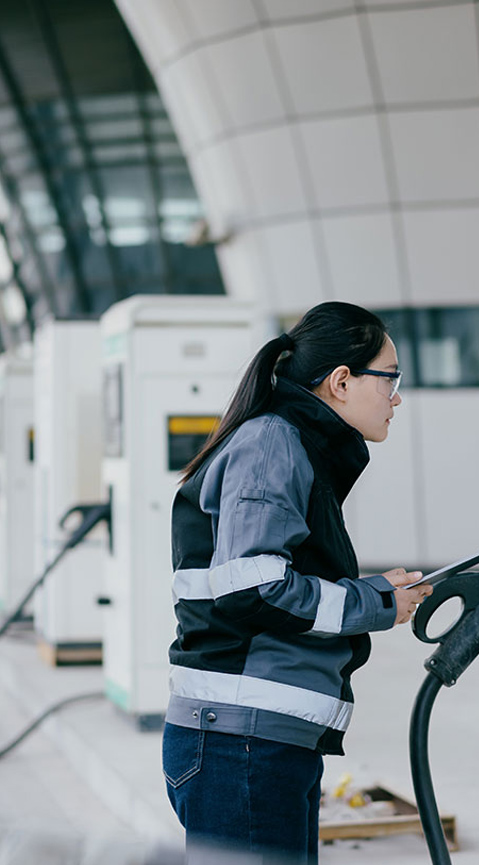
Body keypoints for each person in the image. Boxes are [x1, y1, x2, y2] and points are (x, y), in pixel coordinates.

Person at [163, 301, 433, 864]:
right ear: (340, 381)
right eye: (391, 378)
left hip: (261, 741)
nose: (397, 397)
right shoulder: (272, 443)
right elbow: (256, 589)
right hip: (242, 744)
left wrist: (377, 592)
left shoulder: (290, 444)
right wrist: (375, 600)